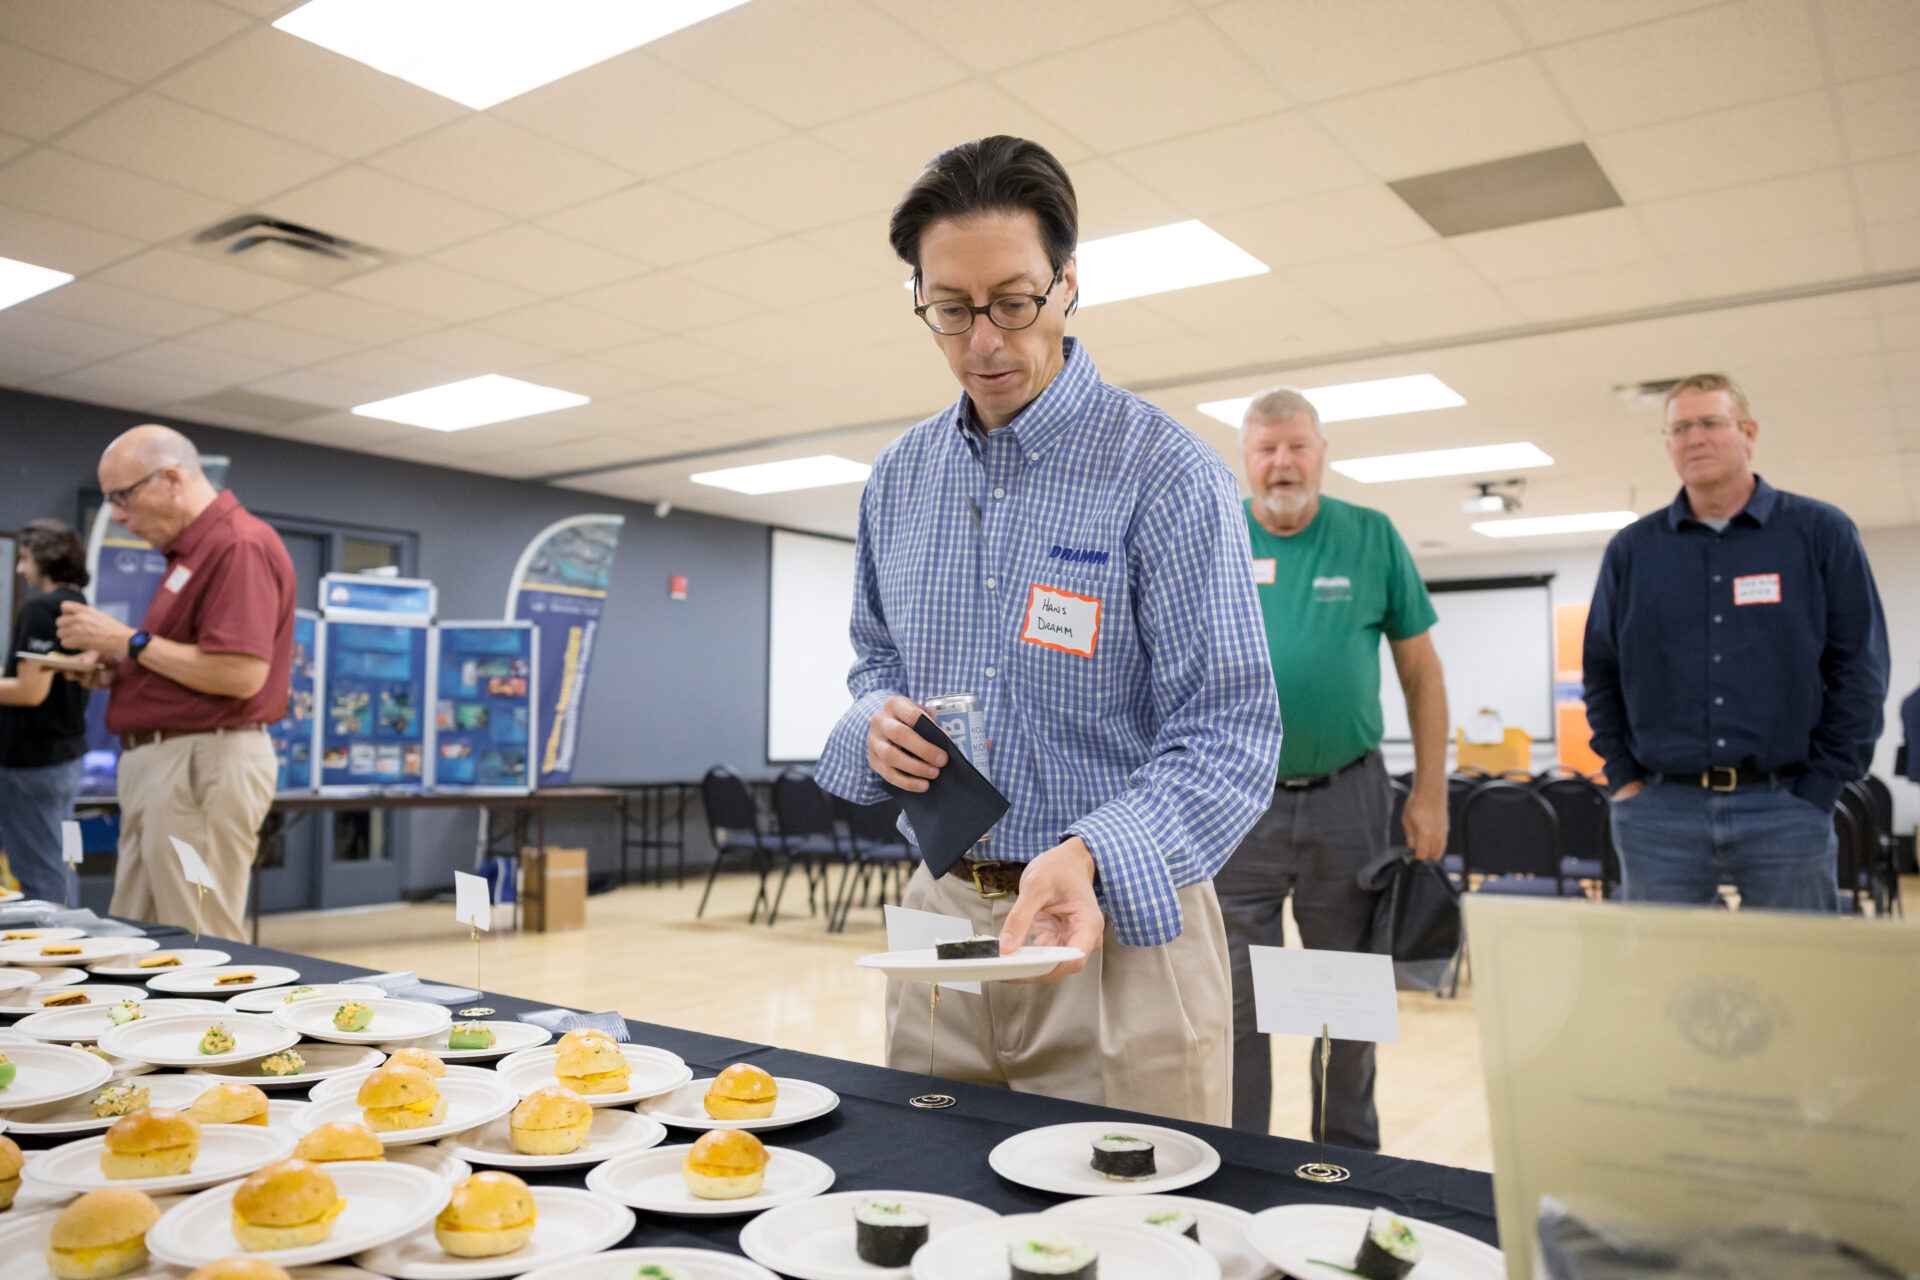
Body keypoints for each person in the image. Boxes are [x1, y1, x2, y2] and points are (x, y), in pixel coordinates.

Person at [813, 136, 1282, 1126]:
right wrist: (872, 724)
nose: (983, 339)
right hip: (945, 922)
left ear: (1069, 284)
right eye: (950, 308)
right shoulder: (898, 480)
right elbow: (876, 662)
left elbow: (1233, 731)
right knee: (933, 1206)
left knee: (1126, 1234)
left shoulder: (1165, 474)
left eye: (1014, 301)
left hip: (1119, 931)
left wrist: (1090, 852)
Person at [1215, 388, 1448, 1148]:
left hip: (1351, 795)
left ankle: (1347, 1161)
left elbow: (1422, 674)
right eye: (1265, 448)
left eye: (1296, 446)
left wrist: (1431, 794)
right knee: (1236, 1000)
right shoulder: (1216, 536)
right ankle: (1242, 1158)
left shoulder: (1371, 536)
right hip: (1235, 802)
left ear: (1321, 453)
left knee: (1347, 997)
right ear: (1245, 460)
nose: (1282, 462)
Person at [1584, 373, 1889, 910]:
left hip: (1785, 806)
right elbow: (1601, 672)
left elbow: (1859, 669)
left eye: (1709, 423)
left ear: (1748, 432)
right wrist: (1624, 780)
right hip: (1660, 812)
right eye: (1679, 428)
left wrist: (1821, 787)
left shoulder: (1820, 533)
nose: (1694, 438)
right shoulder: (1632, 551)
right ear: (1668, 444)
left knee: (1793, 978)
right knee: (1671, 981)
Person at [55, 425, 295, 937]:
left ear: (171, 479)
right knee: (142, 939)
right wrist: (125, 667)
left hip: (199, 762)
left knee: (197, 944)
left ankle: (212, 1023)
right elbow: (195, 659)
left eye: (122, 497)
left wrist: (129, 642)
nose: (117, 514)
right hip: (172, 763)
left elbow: (240, 673)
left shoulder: (238, 544)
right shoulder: (192, 553)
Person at [0, 520, 93, 903]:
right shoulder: (80, 607)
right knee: (56, 859)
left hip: (32, 761)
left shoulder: (41, 609)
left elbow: (30, 691)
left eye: (24, 558)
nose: (20, 569)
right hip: (62, 756)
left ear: (45, 556)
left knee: (39, 869)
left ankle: (57, 951)